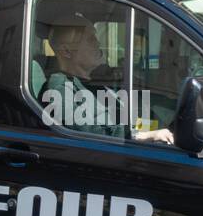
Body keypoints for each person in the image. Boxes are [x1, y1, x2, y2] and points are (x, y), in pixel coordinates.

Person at [43, 16, 175, 144]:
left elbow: (126, 117)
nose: (98, 43)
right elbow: (94, 136)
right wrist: (147, 135)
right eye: (90, 39)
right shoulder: (60, 90)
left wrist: (158, 126)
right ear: (66, 51)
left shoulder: (96, 80)